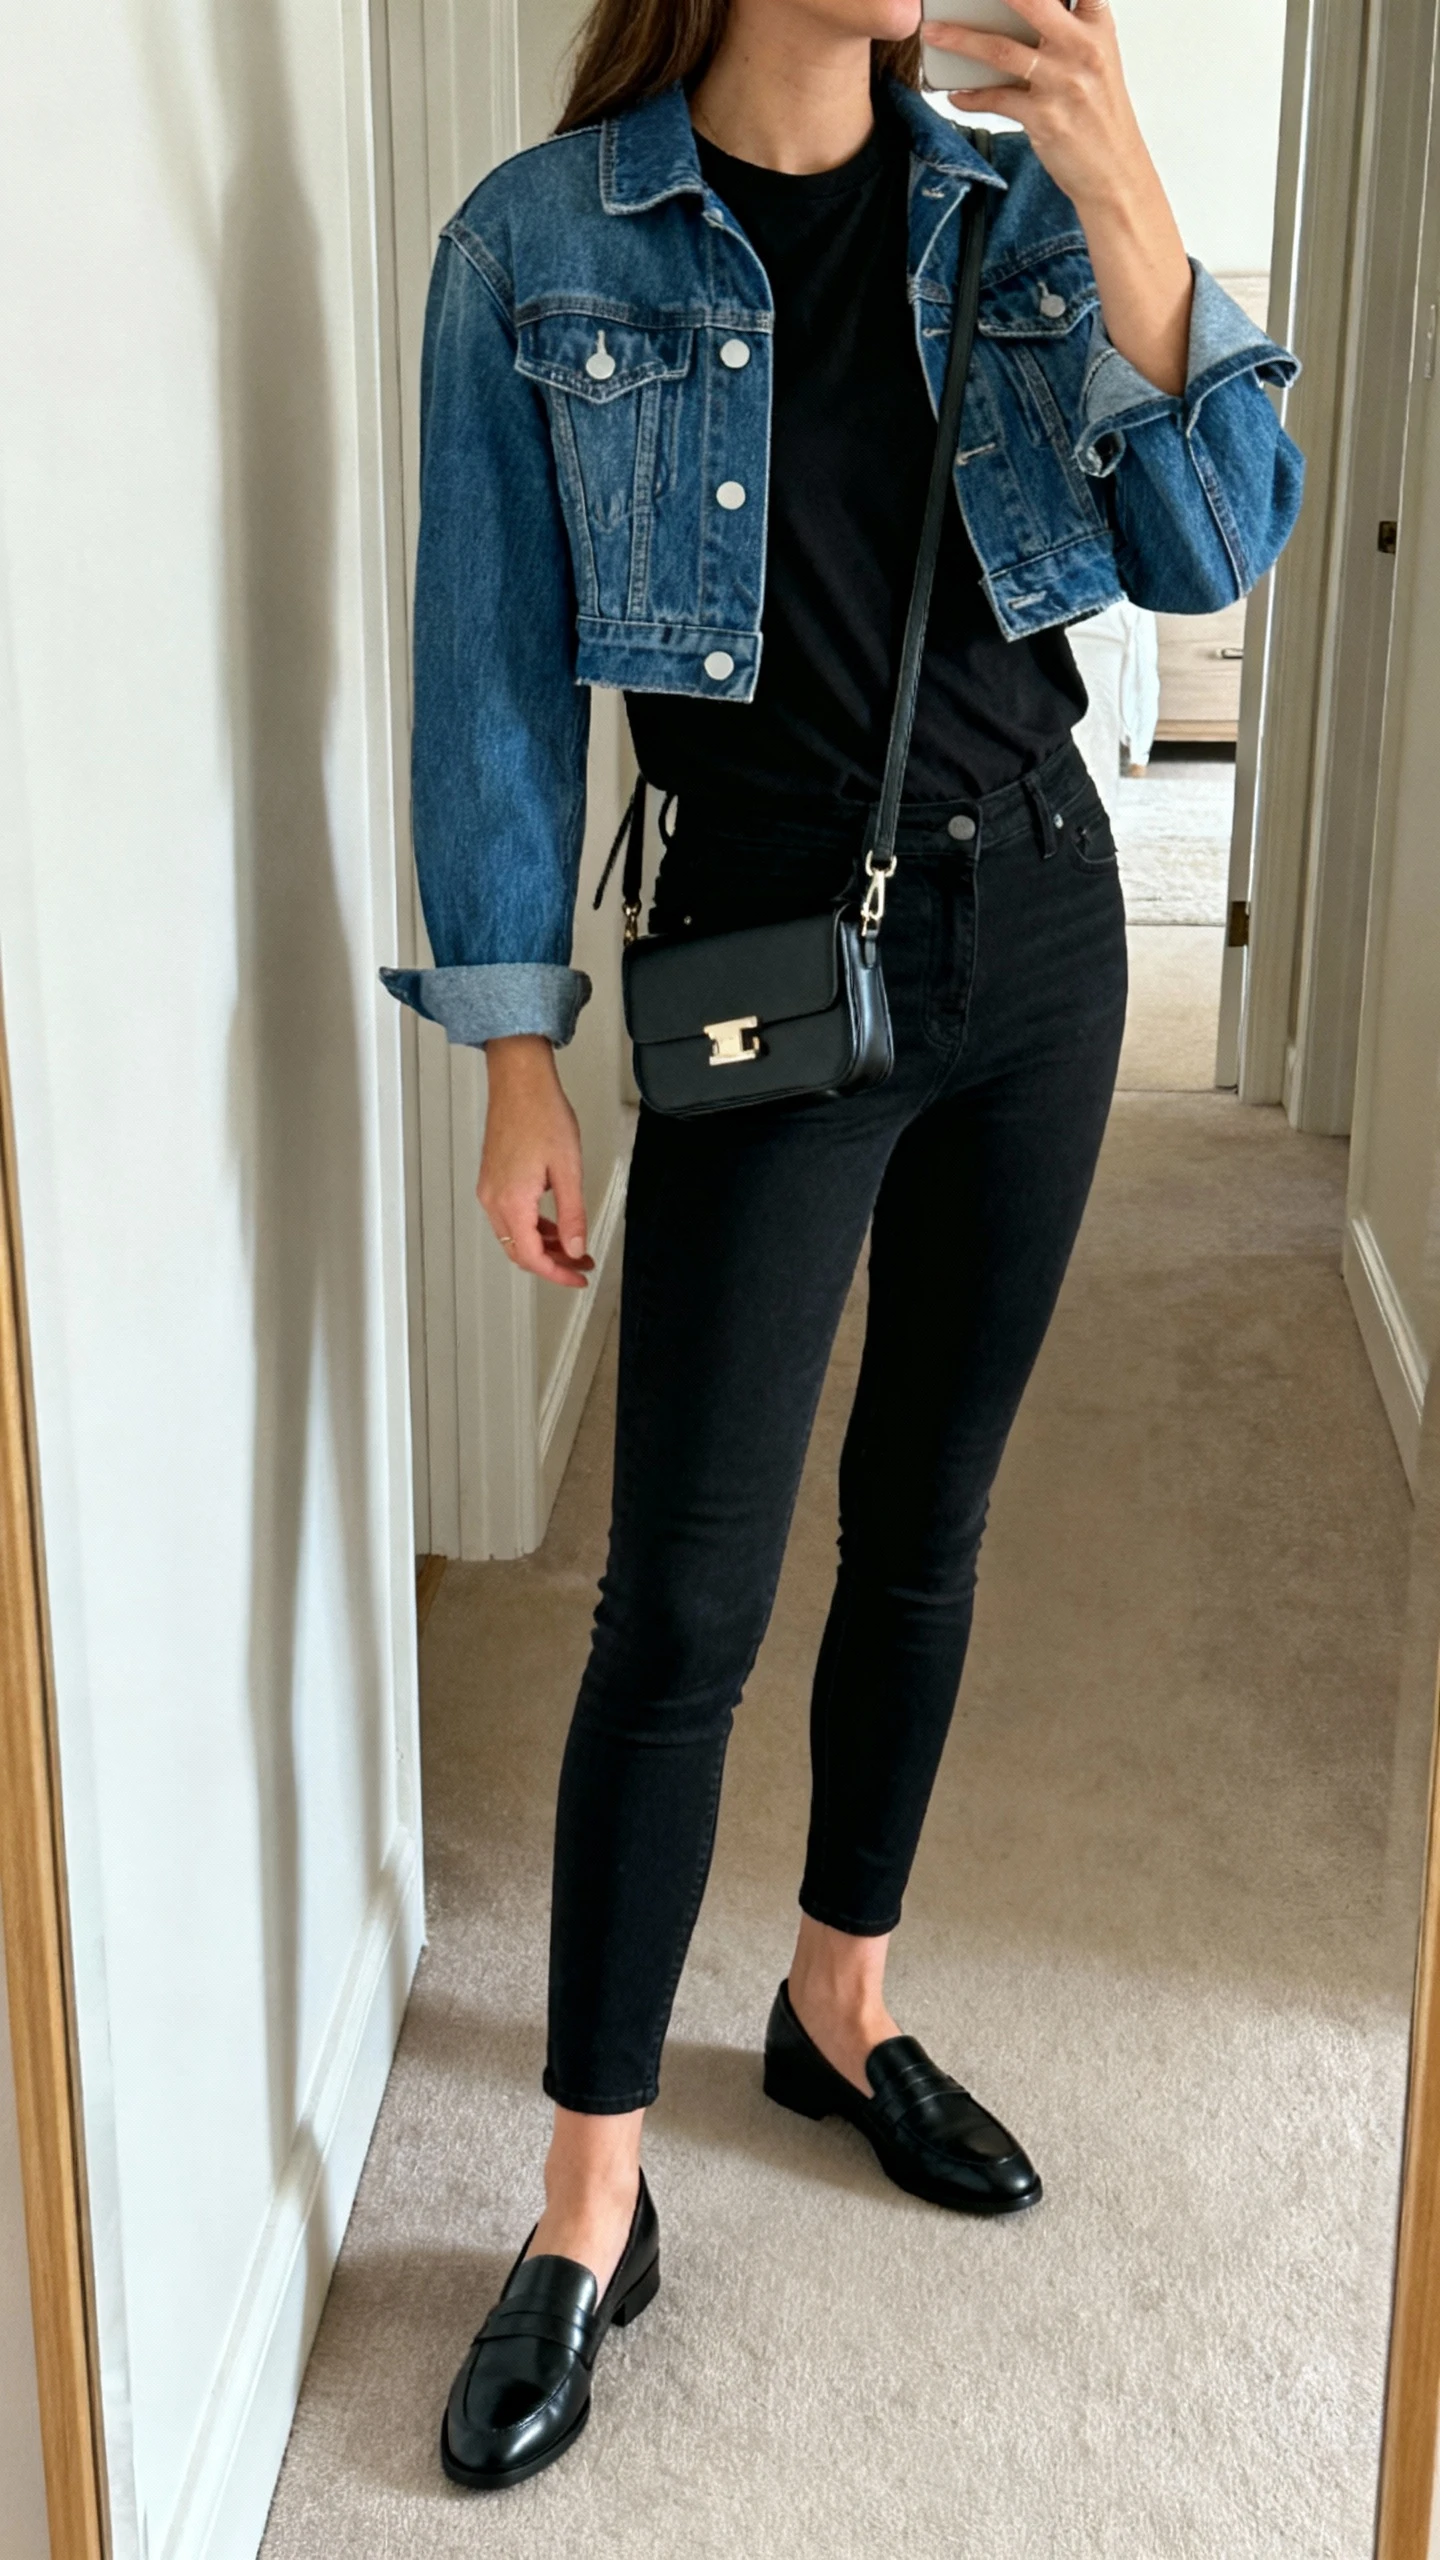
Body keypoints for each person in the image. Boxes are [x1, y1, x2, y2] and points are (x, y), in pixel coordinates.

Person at [381, 0, 1302, 2491]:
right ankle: (587, 2207)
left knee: (930, 1516)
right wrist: (510, 1056)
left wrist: (1127, 190)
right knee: (675, 1600)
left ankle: (837, 1999)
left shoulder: (1014, 207)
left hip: (1042, 948)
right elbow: (486, 676)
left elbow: (1212, 546)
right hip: (764, 984)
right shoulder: (541, 246)